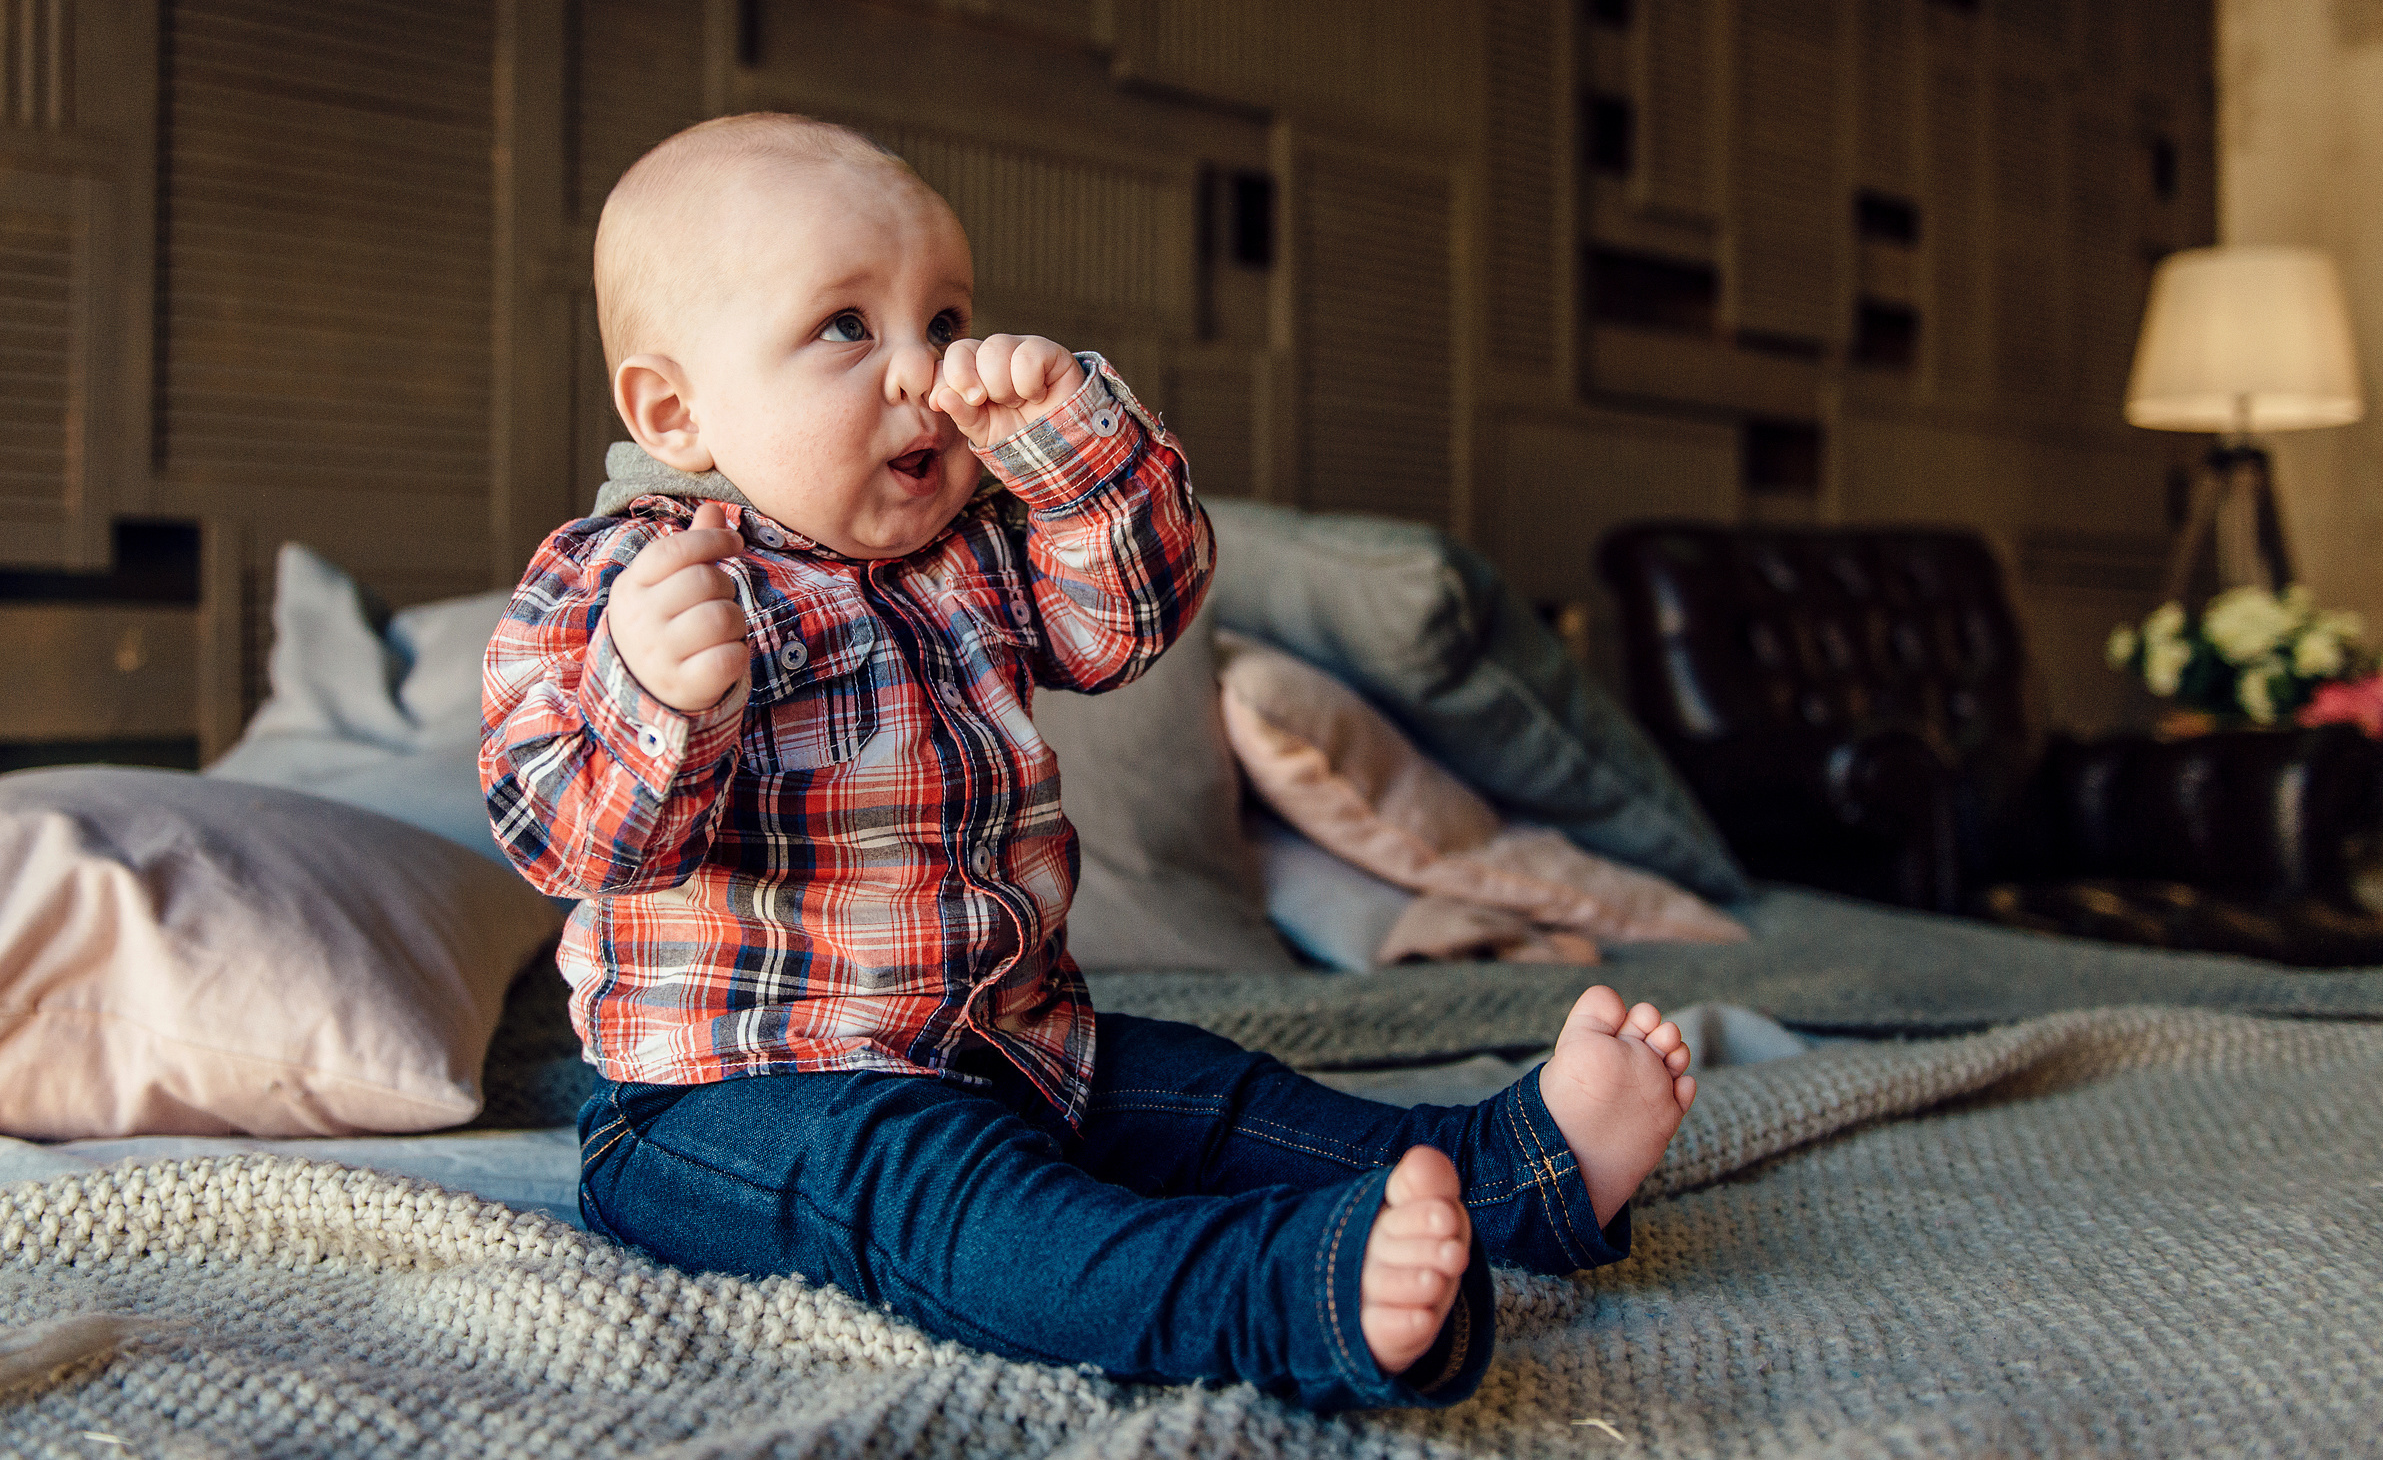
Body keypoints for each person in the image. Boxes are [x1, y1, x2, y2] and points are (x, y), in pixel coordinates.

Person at [480, 113, 1698, 1413]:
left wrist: (1073, 449)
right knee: (945, 1196)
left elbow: (1130, 620)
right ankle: (1278, 1290)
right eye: (847, 326)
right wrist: (652, 696)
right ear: (676, 408)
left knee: (1210, 1095)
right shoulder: (624, 584)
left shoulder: (975, 549)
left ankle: (1517, 1174)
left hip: (1011, 1044)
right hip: (735, 1103)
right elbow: (561, 837)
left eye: (945, 320)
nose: (922, 371)